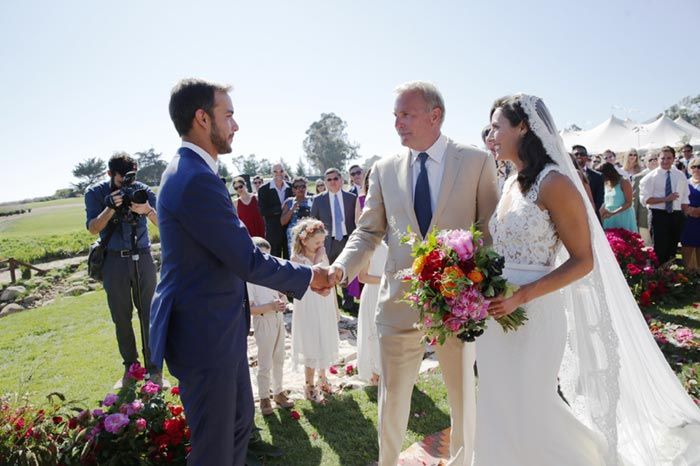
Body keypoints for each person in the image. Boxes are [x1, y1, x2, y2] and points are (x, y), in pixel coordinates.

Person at [479, 94, 700, 465]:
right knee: (497, 399)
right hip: (495, 313)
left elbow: (583, 261)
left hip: (535, 311)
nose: (490, 135)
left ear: (522, 127)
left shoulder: (554, 184)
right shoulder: (508, 184)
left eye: (497, 126)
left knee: (532, 403)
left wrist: (523, 295)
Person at [149, 78, 332, 466]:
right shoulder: (195, 177)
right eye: (228, 114)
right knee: (216, 447)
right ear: (202, 118)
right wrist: (308, 277)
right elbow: (245, 258)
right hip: (205, 335)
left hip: (217, 330)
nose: (235, 125)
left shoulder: (191, 170)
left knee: (235, 428)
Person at [330, 81, 499, 466]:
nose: (397, 123)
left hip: (456, 307)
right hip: (398, 305)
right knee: (391, 400)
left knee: (461, 398)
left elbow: (489, 231)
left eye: (405, 114)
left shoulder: (476, 161)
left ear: (434, 115)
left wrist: (474, 287)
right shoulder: (384, 168)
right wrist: (341, 268)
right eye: (395, 116)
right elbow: (369, 230)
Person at [84, 152, 163, 388]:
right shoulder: (96, 193)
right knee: (121, 316)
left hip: (143, 256)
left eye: (131, 177)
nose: (127, 184)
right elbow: (92, 228)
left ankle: (155, 370)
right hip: (114, 260)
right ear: (110, 174)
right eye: (121, 180)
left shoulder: (142, 189)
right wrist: (110, 208)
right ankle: (131, 368)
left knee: (149, 313)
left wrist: (147, 210)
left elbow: (165, 224)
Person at [289, 218, 340, 403]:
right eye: (317, 242)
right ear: (304, 240)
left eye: (322, 242)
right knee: (310, 341)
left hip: (323, 303)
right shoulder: (297, 259)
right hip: (307, 305)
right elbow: (309, 278)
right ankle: (309, 385)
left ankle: (323, 379)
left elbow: (329, 280)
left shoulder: (322, 254)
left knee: (323, 338)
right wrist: (319, 258)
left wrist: (334, 305)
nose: (321, 245)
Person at [246, 237, 295, 416]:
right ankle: (264, 396)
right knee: (265, 360)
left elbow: (281, 295)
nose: (266, 260)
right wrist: (270, 307)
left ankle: (278, 392)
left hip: (277, 318)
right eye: (262, 256)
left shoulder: (272, 275)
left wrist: (282, 299)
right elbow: (250, 309)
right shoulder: (249, 279)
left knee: (279, 357)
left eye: (268, 256)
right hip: (263, 320)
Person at [311, 167, 358, 311]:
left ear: (341, 180)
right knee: (327, 271)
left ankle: (348, 302)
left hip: (346, 239)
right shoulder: (319, 200)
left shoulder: (351, 198)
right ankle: (333, 302)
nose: (332, 182)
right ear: (325, 182)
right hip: (327, 241)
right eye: (329, 179)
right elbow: (313, 221)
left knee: (347, 270)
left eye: (335, 178)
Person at [640, 146, 690, 264]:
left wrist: (685, 214)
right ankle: (658, 276)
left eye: (669, 158)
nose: (665, 161)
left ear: (673, 159)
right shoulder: (649, 178)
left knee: (672, 249)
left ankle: (670, 276)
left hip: (676, 215)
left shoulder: (680, 175)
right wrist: (666, 199)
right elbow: (645, 200)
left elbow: (684, 197)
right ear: (658, 159)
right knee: (659, 249)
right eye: (663, 158)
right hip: (658, 215)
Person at [257, 163, 293, 258]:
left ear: (284, 172)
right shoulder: (264, 189)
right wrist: (281, 208)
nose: (279, 173)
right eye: (275, 171)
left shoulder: (291, 187)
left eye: (281, 171)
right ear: (271, 173)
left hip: (289, 229)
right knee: (274, 259)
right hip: (273, 231)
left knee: (289, 258)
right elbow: (263, 211)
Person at [599, 162, 638, 232]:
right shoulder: (606, 183)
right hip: (609, 218)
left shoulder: (624, 181)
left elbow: (629, 203)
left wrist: (613, 213)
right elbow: (607, 201)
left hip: (624, 217)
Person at [280, 176, 313, 254]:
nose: (300, 189)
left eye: (303, 186)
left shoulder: (313, 200)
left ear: (306, 188)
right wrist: (292, 209)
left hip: (310, 235)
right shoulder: (289, 202)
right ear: (293, 189)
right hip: (294, 236)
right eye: (297, 187)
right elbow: (282, 222)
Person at [632, 151, 659, 245]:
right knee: (647, 247)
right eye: (650, 159)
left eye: (656, 159)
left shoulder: (665, 175)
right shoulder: (638, 178)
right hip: (644, 220)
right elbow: (635, 201)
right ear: (645, 162)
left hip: (661, 218)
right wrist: (634, 218)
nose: (654, 161)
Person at [572, 145, 604, 221]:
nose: (579, 156)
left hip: (592, 217)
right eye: (576, 154)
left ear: (586, 157)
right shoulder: (565, 175)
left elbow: (599, 200)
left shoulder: (598, 176)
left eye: (582, 154)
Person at [680, 156, 700, 270]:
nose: (696, 169)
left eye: (699, 167)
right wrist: (688, 210)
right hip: (688, 221)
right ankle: (688, 276)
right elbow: (679, 199)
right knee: (687, 247)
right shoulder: (685, 183)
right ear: (689, 168)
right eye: (693, 167)